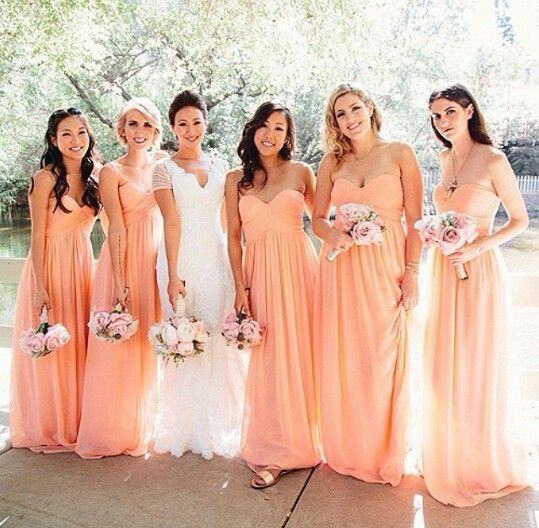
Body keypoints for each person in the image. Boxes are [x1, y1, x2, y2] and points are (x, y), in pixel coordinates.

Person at [422, 83, 529, 506]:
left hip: (478, 270)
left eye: (448, 112)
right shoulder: (443, 158)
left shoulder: (494, 159)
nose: (442, 122)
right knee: (443, 364)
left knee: (474, 363)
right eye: (435, 116)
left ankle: (478, 460)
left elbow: (519, 221)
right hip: (443, 273)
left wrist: (476, 246)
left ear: (468, 111)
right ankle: (450, 455)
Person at [312, 83, 423, 485]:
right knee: (347, 355)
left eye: (354, 108)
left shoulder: (399, 154)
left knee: (383, 355)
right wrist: (334, 236)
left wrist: (412, 272)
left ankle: (384, 452)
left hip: (386, 266)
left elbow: (416, 222)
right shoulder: (331, 162)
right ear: (334, 122)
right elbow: (317, 219)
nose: (349, 118)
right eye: (340, 114)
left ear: (370, 108)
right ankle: (349, 448)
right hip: (341, 269)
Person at [226, 102, 320, 489]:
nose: (270, 134)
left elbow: (323, 222)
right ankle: (273, 448)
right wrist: (239, 287)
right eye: (264, 126)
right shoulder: (236, 179)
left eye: (279, 128)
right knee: (268, 359)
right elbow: (234, 237)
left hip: (299, 270)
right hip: (259, 272)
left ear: (287, 136)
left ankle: (305, 440)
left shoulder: (302, 172)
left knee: (300, 353)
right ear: (252, 130)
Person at [152, 90, 245, 459]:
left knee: (215, 337)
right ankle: (186, 429)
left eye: (196, 122)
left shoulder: (222, 166)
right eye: (182, 124)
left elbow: (231, 222)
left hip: (215, 257)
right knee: (184, 338)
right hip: (181, 259)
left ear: (206, 123)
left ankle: (216, 424)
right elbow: (171, 222)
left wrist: (237, 272)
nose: (190, 130)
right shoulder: (164, 168)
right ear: (173, 128)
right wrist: (173, 274)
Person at [76, 98, 164, 458]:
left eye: (145, 125)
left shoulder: (162, 165)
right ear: (121, 129)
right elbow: (113, 228)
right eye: (132, 124)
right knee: (119, 349)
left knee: (147, 342)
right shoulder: (111, 171)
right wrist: (120, 279)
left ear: (156, 130)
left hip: (154, 262)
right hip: (122, 261)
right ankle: (113, 430)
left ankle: (144, 425)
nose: (139, 132)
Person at [11, 108, 100, 452]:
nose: (75, 140)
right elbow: (36, 237)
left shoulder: (95, 178)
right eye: (67, 134)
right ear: (53, 139)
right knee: (55, 347)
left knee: (79, 345)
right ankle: (52, 424)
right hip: (49, 268)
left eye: (81, 133)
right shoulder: (44, 178)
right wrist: (40, 285)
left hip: (81, 268)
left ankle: (79, 422)